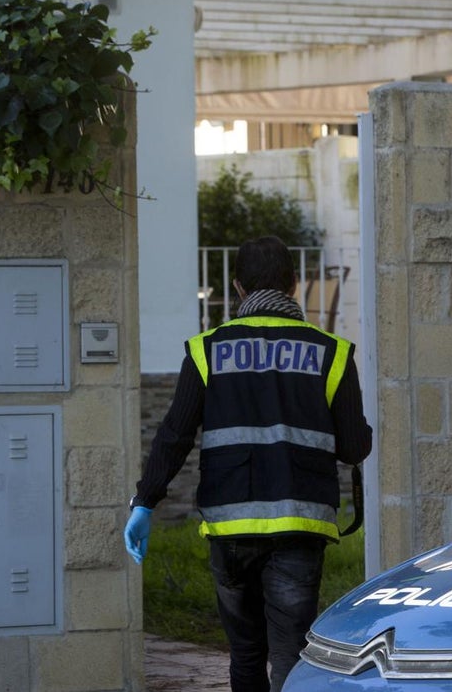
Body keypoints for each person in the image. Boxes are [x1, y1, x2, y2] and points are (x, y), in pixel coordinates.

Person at [125, 235, 373, 692]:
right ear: (294, 286)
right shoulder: (332, 352)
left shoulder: (206, 350)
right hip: (300, 528)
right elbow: (355, 448)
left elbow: (175, 435)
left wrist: (145, 501)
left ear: (238, 288)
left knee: (245, 655)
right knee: (291, 657)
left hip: (231, 529)